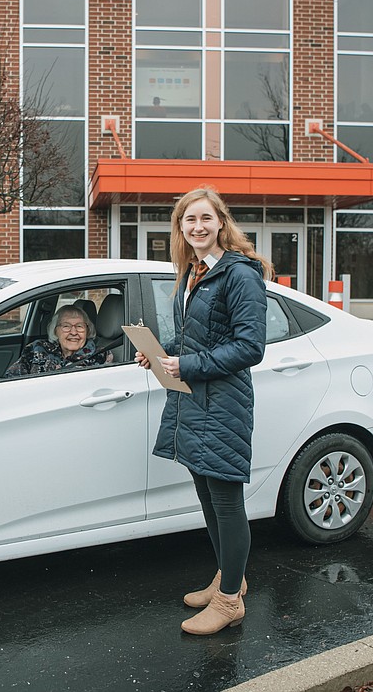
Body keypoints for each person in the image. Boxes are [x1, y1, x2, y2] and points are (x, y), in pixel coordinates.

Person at [135, 187, 271, 635]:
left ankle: (230, 601)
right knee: (208, 499)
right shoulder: (193, 271)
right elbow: (199, 336)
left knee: (227, 504)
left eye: (205, 219)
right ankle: (228, 577)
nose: (197, 226)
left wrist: (186, 364)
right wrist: (160, 354)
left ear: (221, 223)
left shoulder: (240, 274)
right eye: (188, 219)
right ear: (180, 227)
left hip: (223, 403)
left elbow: (250, 347)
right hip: (193, 401)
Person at [4, 304, 113, 376]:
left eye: (79, 326)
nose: (74, 332)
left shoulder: (101, 355)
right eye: (66, 326)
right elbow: (11, 378)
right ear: (55, 330)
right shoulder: (37, 348)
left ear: (88, 330)